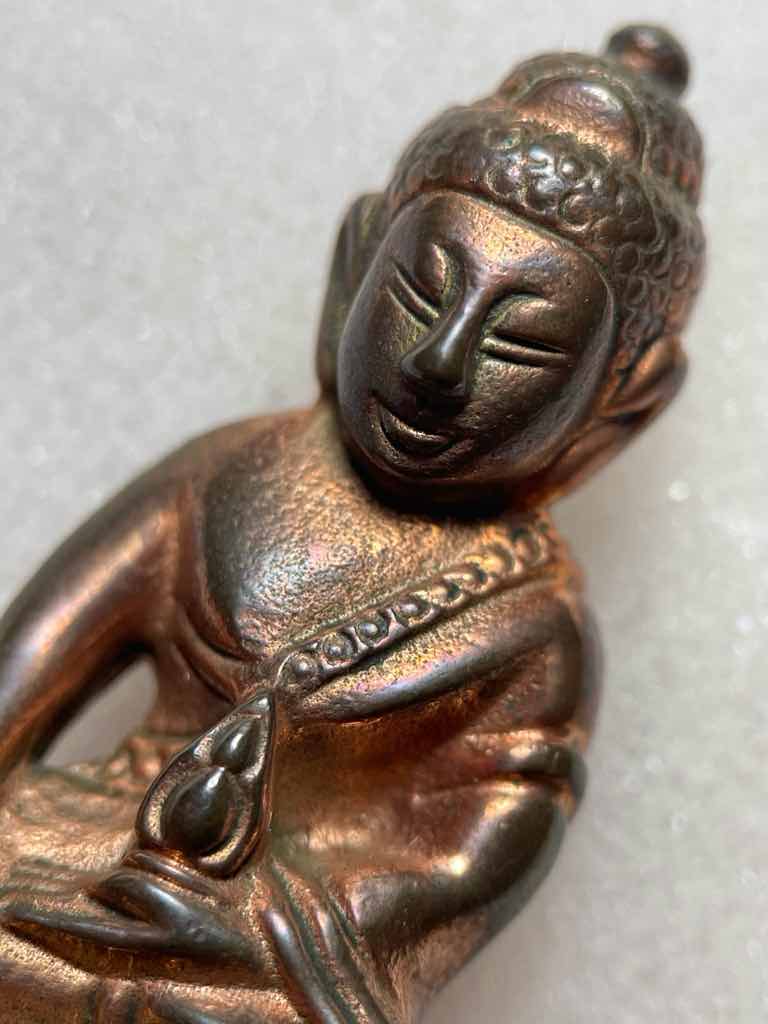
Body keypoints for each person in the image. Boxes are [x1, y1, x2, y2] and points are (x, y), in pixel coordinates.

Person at [0, 24, 704, 1024]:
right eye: (420, 293)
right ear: (355, 266)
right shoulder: (222, 475)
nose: (439, 363)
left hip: (257, 937)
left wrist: (255, 923)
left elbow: (467, 857)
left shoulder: (530, 622)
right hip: (67, 854)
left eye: (519, 344)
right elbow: (27, 666)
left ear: (618, 403)